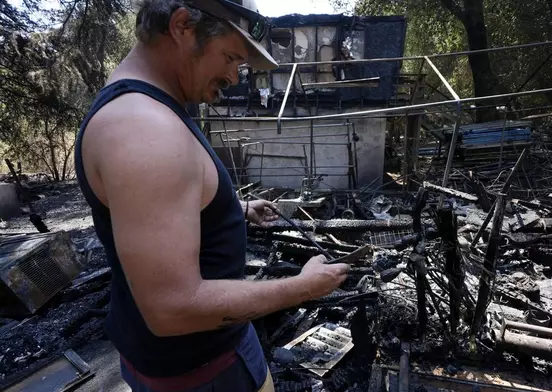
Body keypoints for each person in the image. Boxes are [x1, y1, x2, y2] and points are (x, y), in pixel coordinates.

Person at [73, 0, 350, 391]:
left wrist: (232, 209)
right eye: (232, 57)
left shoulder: (144, 109)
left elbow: (153, 212)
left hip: (200, 351)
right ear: (183, 25)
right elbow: (174, 309)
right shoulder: (145, 130)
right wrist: (303, 287)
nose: (235, 77)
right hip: (201, 372)